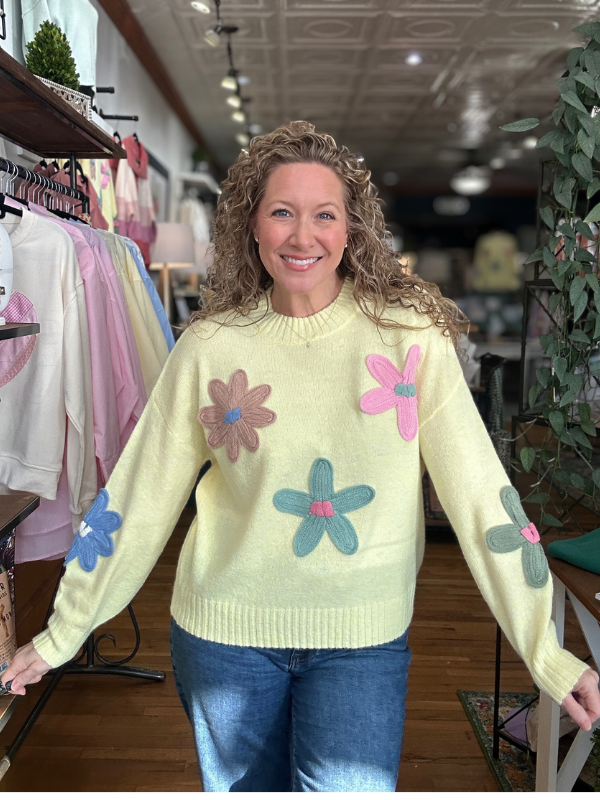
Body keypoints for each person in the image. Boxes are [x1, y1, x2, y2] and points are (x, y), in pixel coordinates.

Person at [4, 121, 599, 792]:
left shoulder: (409, 343)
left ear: (351, 229)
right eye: (281, 212)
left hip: (363, 643)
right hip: (223, 638)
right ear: (251, 226)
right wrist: (62, 632)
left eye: (324, 215)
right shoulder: (210, 347)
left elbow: (481, 491)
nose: (301, 235)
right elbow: (138, 496)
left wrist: (546, 652)